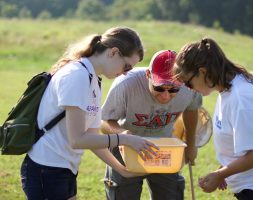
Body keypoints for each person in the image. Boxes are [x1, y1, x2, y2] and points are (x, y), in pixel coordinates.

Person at [20, 27, 158, 200]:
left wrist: (122, 169)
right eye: (127, 66)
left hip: (65, 168)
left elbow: (92, 137)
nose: (126, 72)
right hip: (47, 168)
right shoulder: (77, 76)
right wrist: (124, 139)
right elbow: (77, 139)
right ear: (113, 52)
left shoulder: (93, 79)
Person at [173, 37, 253, 200]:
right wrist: (226, 169)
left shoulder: (241, 98)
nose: (189, 89)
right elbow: (243, 139)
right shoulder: (229, 86)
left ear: (202, 72)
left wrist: (221, 173)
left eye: (188, 83)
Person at [101, 49, 202, 200]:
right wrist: (123, 136)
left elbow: (192, 110)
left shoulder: (189, 87)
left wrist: (191, 144)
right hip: (127, 148)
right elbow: (104, 121)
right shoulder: (125, 84)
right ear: (148, 75)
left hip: (165, 148)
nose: (165, 96)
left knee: (171, 195)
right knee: (122, 194)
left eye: (173, 89)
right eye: (159, 88)